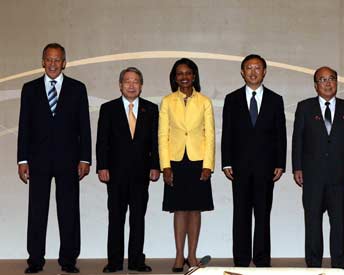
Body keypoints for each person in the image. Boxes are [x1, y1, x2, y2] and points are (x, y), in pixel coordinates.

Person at [17, 43, 91, 274]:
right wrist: (22, 160)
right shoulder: (29, 89)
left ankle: (68, 260)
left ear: (64, 62)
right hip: (37, 161)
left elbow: (84, 127)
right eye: (49, 59)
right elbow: (24, 127)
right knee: (37, 210)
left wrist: (85, 159)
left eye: (57, 59)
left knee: (69, 210)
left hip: (69, 160)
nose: (52, 63)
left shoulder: (77, 88)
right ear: (42, 61)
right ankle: (35, 260)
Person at [221, 54, 287, 267]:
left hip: (266, 168)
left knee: (262, 215)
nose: (253, 71)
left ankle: (261, 260)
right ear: (242, 72)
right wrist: (226, 162)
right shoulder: (232, 99)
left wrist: (280, 163)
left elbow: (280, 134)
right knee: (240, 215)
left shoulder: (275, 100)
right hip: (239, 168)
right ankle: (240, 260)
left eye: (257, 67)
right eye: (248, 67)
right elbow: (227, 133)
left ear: (264, 72)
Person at [292, 66, 344, 272]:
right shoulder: (304, 107)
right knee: (312, 221)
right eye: (322, 80)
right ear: (315, 85)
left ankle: (339, 262)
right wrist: (297, 167)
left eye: (332, 79)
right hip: (312, 175)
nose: (328, 83)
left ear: (337, 83)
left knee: (339, 222)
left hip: (339, 175)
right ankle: (313, 264)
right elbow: (297, 140)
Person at [96, 67, 160, 273]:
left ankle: (136, 261)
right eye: (127, 81)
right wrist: (102, 166)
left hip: (142, 174)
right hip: (115, 174)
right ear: (120, 85)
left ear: (141, 86)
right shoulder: (108, 109)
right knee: (116, 218)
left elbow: (155, 142)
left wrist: (155, 166)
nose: (131, 85)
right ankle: (114, 262)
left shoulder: (150, 109)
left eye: (136, 81)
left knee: (137, 218)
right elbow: (102, 141)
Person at [159, 58, 215, 272]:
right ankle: (179, 255)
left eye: (188, 73)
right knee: (179, 209)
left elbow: (209, 135)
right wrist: (165, 165)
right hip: (174, 160)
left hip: (198, 160)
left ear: (194, 76)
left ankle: (192, 256)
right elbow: (162, 134)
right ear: (175, 77)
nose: (184, 77)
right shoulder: (167, 101)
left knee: (195, 210)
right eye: (179, 73)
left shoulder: (205, 101)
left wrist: (208, 164)